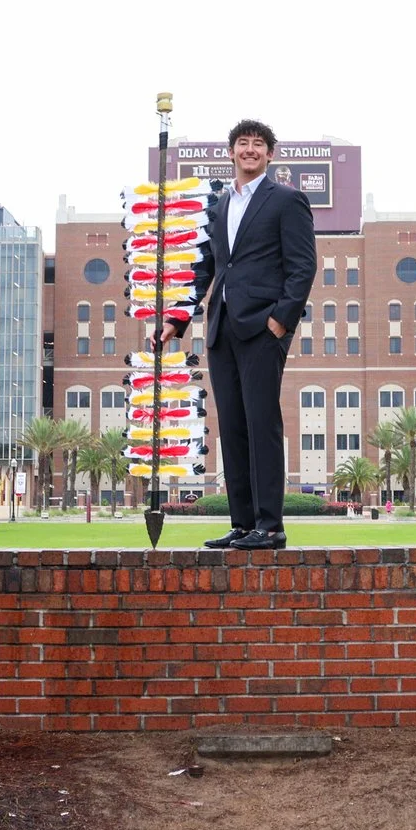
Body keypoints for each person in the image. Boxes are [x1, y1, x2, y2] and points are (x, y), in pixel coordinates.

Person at [158, 119, 315, 550]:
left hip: (263, 328)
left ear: (269, 154)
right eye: (243, 143)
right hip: (221, 329)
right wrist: (177, 320)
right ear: (231, 152)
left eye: (258, 144)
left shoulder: (287, 200)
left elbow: (303, 266)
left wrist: (280, 321)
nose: (250, 149)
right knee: (232, 427)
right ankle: (243, 524)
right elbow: (206, 267)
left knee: (261, 424)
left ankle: (271, 526)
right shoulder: (219, 205)